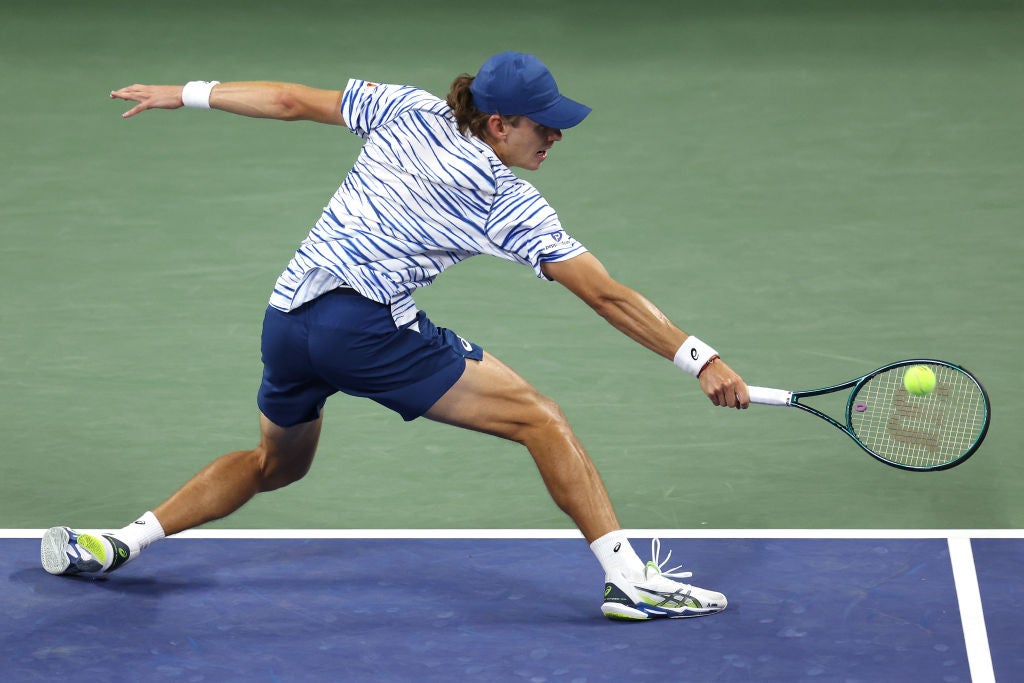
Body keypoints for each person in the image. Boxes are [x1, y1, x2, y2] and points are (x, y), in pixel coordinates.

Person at [40, 51, 749, 621]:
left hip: (287, 319)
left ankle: (121, 540)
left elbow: (288, 99)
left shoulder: (405, 107)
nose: (555, 135)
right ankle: (630, 580)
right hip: (364, 328)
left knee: (276, 464)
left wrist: (184, 91)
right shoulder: (506, 202)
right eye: (543, 124)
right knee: (540, 418)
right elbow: (606, 294)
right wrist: (700, 359)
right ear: (500, 124)